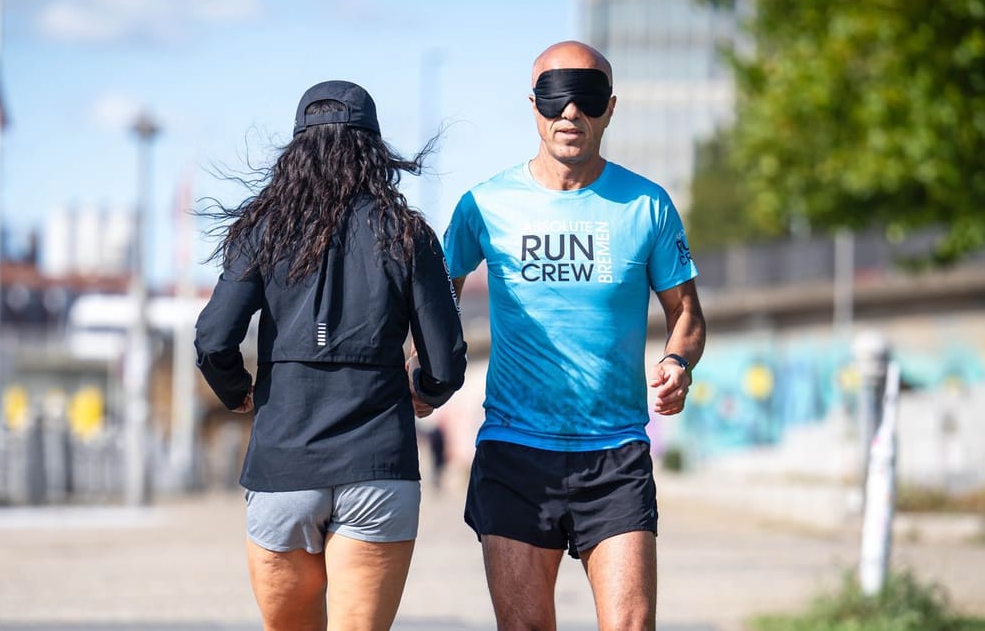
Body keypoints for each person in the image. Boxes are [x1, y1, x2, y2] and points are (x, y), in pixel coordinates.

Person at [439, 41, 707, 630]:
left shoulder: (648, 205)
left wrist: (678, 363)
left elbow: (686, 311)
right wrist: (425, 366)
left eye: (586, 98)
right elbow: (436, 300)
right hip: (514, 450)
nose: (569, 112)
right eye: (554, 97)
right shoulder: (482, 205)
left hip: (615, 453)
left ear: (609, 108)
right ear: (532, 106)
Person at [194, 80, 467, 631]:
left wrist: (238, 391)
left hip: (284, 463)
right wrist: (424, 390)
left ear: (296, 150)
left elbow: (214, 339)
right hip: (378, 465)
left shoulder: (263, 231)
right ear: (374, 149)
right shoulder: (408, 233)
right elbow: (446, 359)